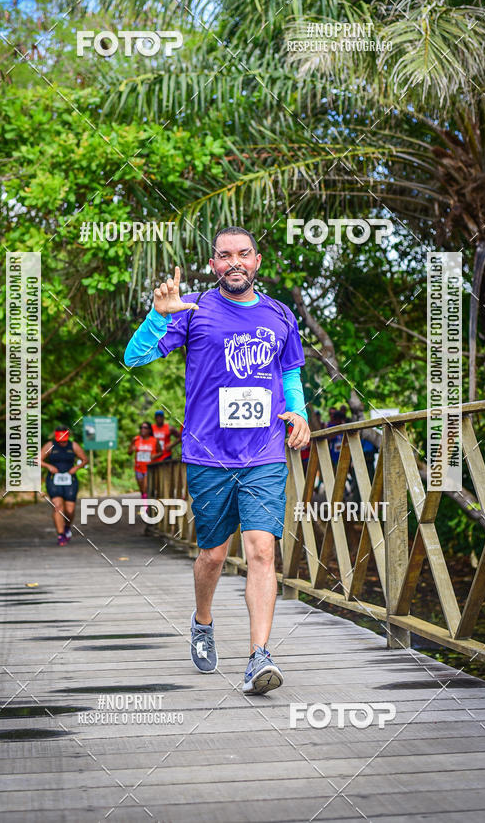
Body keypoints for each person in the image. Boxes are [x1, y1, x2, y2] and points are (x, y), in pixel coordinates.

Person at [124, 226, 310, 694]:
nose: (235, 262)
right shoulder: (191, 309)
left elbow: (289, 374)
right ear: (213, 265)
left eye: (243, 254)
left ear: (257, 260)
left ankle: (259, 656)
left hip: (265, 452)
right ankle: (203, 621)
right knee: (213, 554)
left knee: (262, 551)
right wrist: (157, 315)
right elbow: (133, 358)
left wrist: (300, 414)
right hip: (208, 455)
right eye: (225, 255)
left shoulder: (280, 315)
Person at [39, 425, 88, 546]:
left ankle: (67, 527)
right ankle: (61, 535)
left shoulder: (73, 446)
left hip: (70, 480)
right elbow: (37, 460)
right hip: (54, 480)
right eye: (60, 439)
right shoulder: (50, 445)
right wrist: (49, 466)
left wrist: (76, 468)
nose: (62, 442)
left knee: (70, 510)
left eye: (64, 439)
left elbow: (85, 460)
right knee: (57, 506)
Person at [127, 422, 162, 501]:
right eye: (141, 427)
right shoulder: (136, 439)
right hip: (138, 468)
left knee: (145, 488)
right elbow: (129, 453)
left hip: (149, 468)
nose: (143, 429)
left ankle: (146, 506)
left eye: (145, 428)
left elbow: (161, 452)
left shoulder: (154, 440)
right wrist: (132, 447)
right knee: (142, 490)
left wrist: (155, 456)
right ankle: (145, 501)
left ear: (149, 430)